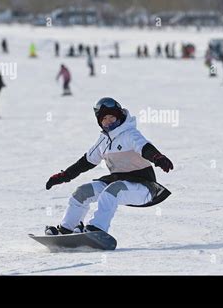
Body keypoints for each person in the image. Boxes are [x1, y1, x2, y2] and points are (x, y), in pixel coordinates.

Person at [44, 97, 174, 235]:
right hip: (117, 183)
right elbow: (86, 162)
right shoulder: (104, 140)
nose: (108, 121)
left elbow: (145, 147)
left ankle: (97, 229)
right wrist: (65, 176)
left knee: (112, 190)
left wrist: (157, 157)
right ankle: (67, 229)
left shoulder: (130, 134)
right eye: (104, 119)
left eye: (111, 117)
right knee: (82, 192)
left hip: (143, 188)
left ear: (118, 116)